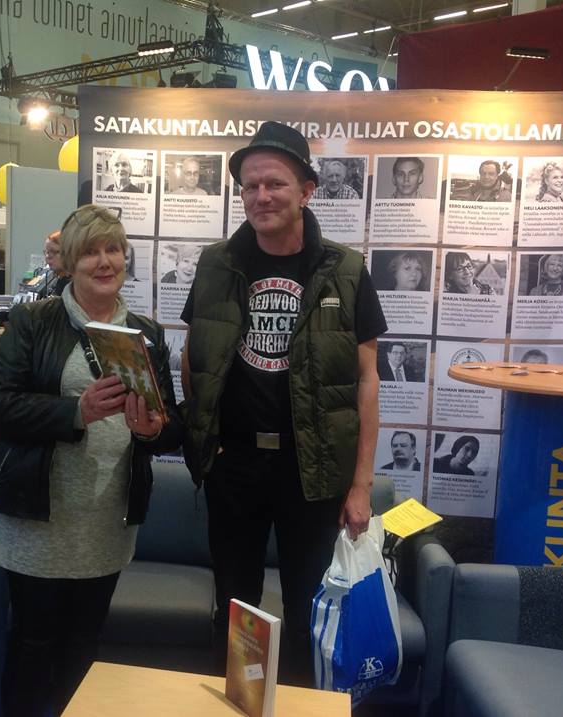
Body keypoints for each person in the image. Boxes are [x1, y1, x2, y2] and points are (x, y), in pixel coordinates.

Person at [180, 121, 387, 685]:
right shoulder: (216, 263)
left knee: (308, 607)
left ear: (306, 191)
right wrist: (206, 437)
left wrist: (361, 485)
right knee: (235, 603)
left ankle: (296, 703)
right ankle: (241, 701)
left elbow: (367, 380)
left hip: (312, 469)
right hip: (235, 464)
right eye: (250, 186)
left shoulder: (346, 270)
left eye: (274, 183)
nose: (261, 196)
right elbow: (195, 356)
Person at [0, 203, 182, 716]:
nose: (104, 261)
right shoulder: (33, 321)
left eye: (113, 249)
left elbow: (170, 425)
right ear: (69, 263)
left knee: (84, 646)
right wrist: (76, 412)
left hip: (105, 518)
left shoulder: (146, 333)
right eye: (90, 251)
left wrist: (154, 430)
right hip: (39, 518)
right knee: (33, 645)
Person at [37, 230, 70, 299]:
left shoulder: (75, 287)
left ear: (68, 253)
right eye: (47, 252)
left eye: (53, 251)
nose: (47, 256)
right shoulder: (56, 280)